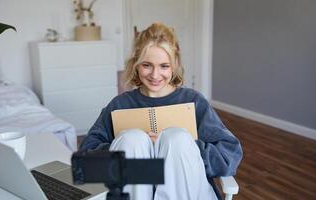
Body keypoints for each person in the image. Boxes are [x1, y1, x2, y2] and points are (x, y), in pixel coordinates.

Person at [79, 22, 243, 200]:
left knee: (177, 138)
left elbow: (229, 154)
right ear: (135, 64)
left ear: (175, 65)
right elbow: (87, 155)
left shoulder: (193, 101)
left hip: (188, 191)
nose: (155, 75)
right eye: (147, 65)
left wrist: (187, 149)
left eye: (164, 66)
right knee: (132, 139)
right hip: (135, 191)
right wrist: (132, 148)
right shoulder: (120, 104)